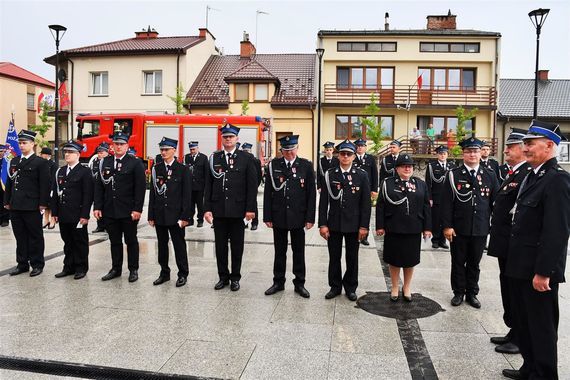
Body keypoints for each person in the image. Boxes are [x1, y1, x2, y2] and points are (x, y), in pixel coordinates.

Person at [501, 121, 570, 380]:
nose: (525, 148)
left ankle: (543, 374)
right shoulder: (533, 175)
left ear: (549, 145)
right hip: (520, 265)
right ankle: (529, 368)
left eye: (530, 143)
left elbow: (557, 232)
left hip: (537, 270)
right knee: (524, 322)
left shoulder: (557, 180)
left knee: (541, 326)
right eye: (525, 144)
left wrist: (544, 272)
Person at [442, 137, 499, 308]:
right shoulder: (453, 175)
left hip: (480, 228)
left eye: (475, 151)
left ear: (481, 152)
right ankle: (458, 292)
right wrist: (447, 226)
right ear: (463, 154)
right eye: (469, 151)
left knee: (474, 263)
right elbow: (446, 203)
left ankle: (472, 293)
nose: (472, 154)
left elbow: (495, 202)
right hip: (458, 228)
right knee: (458, 262)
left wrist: (494, 227)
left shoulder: (489, 175)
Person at [487, 129, 530, 356]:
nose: (505, 150)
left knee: (516, 292)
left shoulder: (525, 175)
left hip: (514, 246)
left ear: (523, 149)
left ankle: (520, 337)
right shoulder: (514, 174)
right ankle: (514, 331)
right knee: (508, 288)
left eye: (510, 147)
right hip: (505, 244)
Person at [204, 124, 257, 292]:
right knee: (220, 247)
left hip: (238, 210)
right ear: (222, 138)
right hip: (219, 210)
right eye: (225, 136)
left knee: (237, 246)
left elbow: (252, 186)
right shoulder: (214, 158)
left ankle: (235, 277)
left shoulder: (246, 159)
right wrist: (207, 209)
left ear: (237, 139)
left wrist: (250, 209)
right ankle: (223, 277)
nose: (228, 139)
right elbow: (208, 185)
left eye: (231, 137)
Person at [263, 135, 316, 298]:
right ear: (282, 151)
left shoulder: (306, 166)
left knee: (298, 252)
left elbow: (311, 194)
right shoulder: (274, 165)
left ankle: (299, 283)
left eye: (292, 150)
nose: (289, 153)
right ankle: (278, 282)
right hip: (279, 215)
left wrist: (310, 218)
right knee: (280, 251)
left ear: (297, 148)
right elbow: (268, 193)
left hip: (298, 216)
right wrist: (267, 216)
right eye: (286, 151)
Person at [319, 139, 371, 301]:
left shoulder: (361, 175)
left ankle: (350, 287)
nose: (345, 157)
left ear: (354, 156)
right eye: (342, 154)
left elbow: (365, 204)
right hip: (334, 222)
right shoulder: (330, 174)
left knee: (352, 257)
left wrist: (364, 226)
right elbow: (323, 202)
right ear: (338, 155)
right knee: (334, 256)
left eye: (349, 154)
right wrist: (322, 224)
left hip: (354, 224)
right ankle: (335, 286)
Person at [376, 154, 431, 302]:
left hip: (413, 228)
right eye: (404, 166)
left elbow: (426, 206)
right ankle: (394, 287)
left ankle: (407, 287)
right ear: (397, 168)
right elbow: (380, 205)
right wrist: (380, 225)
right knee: (393, 259)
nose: (407, 168)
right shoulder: (388, 183)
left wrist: (427, 228)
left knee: (410, 260)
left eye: (410, 166)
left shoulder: (420, 184)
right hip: (393, 227)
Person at [94, 132, 146, 283]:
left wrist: (137, 209)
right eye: (116, 144)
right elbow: (99, 186)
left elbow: (140, 188)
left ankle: (133, 269)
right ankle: (116, 268)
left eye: (121, 144)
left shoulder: (135, 163)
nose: (118, 146)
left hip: (128, 210)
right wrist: (98, 206)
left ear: (127, 146)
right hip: (110, 209)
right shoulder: (105, 162)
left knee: (131, 241)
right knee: (114, 241)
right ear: (112, 146)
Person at [4, 130, 50, 277]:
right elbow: (10, 182)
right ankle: (22, 263)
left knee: (35, 236)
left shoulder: (40, 162)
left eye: (25, 143)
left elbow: (45, 185)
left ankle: (37, 264)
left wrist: (43, 203)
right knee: (20, 236)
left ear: (32, 144)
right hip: (16, 205)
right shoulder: (15, 161)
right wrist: (7, 201)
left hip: (32, 205)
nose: (22, 145)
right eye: (20, 143)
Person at [148, 137, 191, 287]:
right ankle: (164, 272)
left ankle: (183, 273)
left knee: (179, 245)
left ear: (174, 150)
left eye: (167, 149)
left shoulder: (183, 169)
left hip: (176, 215)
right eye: (162, 149)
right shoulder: (156, 168)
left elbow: (187, 196)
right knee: (162, 245)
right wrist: (151, 215)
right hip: (160, 213)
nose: (164, 152)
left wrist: (185, 216)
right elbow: (153, 193)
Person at [50, 140, 94, 280]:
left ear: (78, 154)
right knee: (67, 241)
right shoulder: (60, 171)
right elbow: (56, 193)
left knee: (79, 242)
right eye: (66, 152)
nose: (67, 154)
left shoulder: (84, 171)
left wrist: (85, 215)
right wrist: (55, 213)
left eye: (71, 152)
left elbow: (88, 195)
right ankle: (68, 266)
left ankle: (81, 267)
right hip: (63, 213)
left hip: (78, 213)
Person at [425, 145, 455, 249]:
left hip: (448, 198)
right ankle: (435, 240)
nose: (442, 155)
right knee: (436, 220)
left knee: (445, 219)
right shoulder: (431, 166)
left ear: (447, 155)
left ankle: (443, 240)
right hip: (436, 197)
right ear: (437, 154)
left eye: (444, 153)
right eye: (440, 153)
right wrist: (429, 198)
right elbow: (428, 183)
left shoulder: (452, 166)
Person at [353, 138, 378, 246]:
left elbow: (375, 175)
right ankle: (354, 233)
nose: (359, 148)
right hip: (354, 190)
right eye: (358, 146)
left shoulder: (371, 158)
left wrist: (374, 190)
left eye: (362, 146)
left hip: (367, 190)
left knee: (365, 212)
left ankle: (364, 237)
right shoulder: (352, 158)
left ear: (365, 147)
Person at [184, 141, 208, 228]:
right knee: (190, 204)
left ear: (197, 148)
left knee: (200, 205)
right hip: (189, 186)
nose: (192, 151)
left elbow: (206, 172)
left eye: (193, 149)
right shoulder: (186, 157)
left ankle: (200, 220)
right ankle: (190, 220)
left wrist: (206, 186)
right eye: (191, 149)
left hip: (200, 186)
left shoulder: (203, 158)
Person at [241, 142, 262, 230]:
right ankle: (245, 222)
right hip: (242, 187)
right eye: (244, 151)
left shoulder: (255, 160)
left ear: (250, 151)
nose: (246, 152)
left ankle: (255, 223)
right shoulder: (241, 160)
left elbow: (259, 175)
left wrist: (255, 186)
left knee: (253, 205)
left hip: (252, 187)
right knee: (242, 205)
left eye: (247, 151)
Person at [90, 142, 109, 233]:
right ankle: (100, 225)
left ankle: (107, 225)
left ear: (107, 152)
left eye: (102, 152)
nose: (99, 154)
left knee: (106, 207)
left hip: (106, 188)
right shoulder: (95, 162)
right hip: (95, 187)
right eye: (98, 152)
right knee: (98, 206)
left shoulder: (109, 161)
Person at [40, 147, 58, 229]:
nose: (41, 155)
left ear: (47, 155)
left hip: (51, 187)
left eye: (42, 154)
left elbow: (54, 178)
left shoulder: (53, 165)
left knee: (51, 205)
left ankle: (52, 221)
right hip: (43, 188)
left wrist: (52, 189)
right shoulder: (41, 163)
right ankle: (46, 220)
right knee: (45, 205)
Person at [0, 144, 10, 227]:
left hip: (4, 184)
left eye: (3, 151)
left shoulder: (7, 161)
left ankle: (5, 219)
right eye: (0, 151)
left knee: (5, 201)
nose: (1, 153)